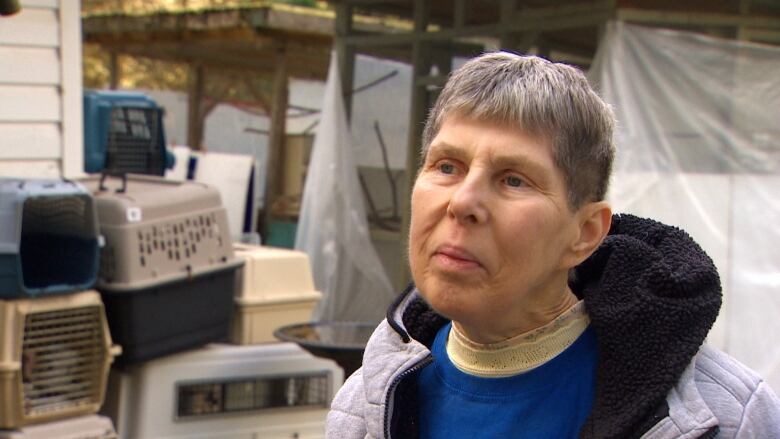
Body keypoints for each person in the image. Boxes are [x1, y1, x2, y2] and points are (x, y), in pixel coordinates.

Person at [326, 52, 780, 438]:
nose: (462, 202)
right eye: (447, 166)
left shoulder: (722, 419)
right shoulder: (363, 408)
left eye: (513, 179)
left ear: (584, 233)